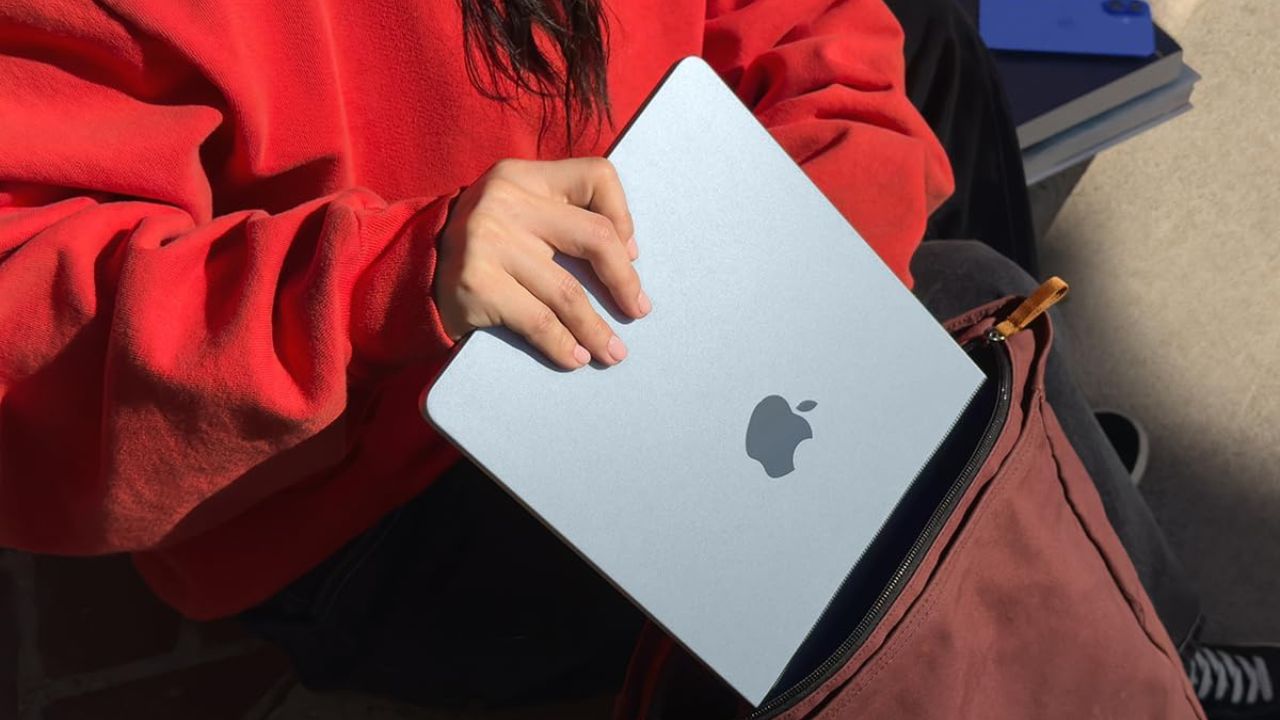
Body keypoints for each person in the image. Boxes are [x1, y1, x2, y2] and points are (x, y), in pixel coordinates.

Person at [0, 0, 1272, 717]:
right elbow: (33, 326)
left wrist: (789, 281)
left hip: (677, 306)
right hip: (374, 475)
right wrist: (391, 278)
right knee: (817, 586)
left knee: (965, 323)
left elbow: (823, 43)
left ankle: (1127, 637)